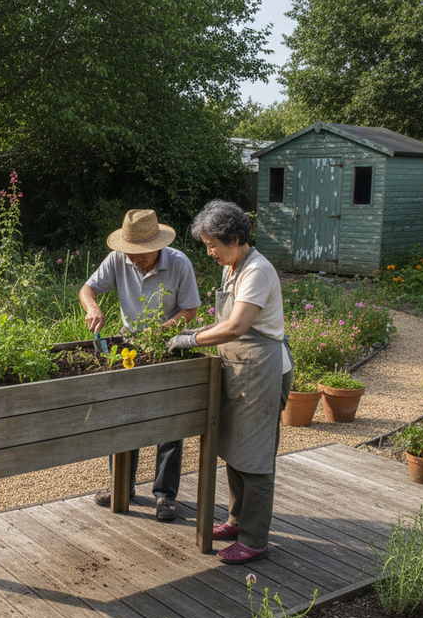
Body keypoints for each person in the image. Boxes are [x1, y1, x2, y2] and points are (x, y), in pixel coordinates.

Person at [167, 199, 291, 563]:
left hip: (263, 372)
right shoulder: (233, 267)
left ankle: (254, 540)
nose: (209, 252)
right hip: (240, 369)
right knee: (236, 450)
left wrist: (190, 341)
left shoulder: (257, 271)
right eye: (206, 245)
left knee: (256, 458)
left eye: (212, 245)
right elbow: (225, 322)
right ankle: (237, 521)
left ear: (234, 238)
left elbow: (237, 326)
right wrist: (194, 332)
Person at [80, 208, 201, 521]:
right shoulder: (119, 259)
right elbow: (87, 289)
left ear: (157, 246)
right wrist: (93, 307)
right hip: (129, 348)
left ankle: (165, 496)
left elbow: (190, 310)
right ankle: (123, 486)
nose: (134, 259)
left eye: (140, 254)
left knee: (169, 424)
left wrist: (162, 330)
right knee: (123, 417)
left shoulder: (179, 263)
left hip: (167, 348)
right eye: (130, 253)